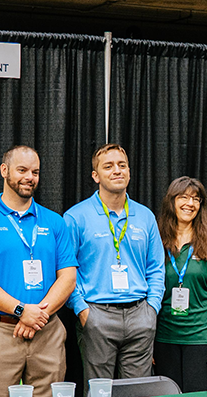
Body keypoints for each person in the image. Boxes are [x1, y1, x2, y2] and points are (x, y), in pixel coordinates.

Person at [0, 145, 77, 397]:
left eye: (35, 172)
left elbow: (68, 278)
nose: (29, 177)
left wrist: (37, 316)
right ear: (4, 170)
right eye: (22, 170)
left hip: (47, 331)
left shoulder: (54, 222)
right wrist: (21, 310)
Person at [64, 144, 165, 383]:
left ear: (129, 172)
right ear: (95, 176)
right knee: (99, 393)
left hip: (140, 314)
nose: (117, 170)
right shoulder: (76, 217)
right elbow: (66, 270)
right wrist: (82, 310)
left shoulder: (145, 216)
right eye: (108, 166)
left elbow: (156, 268)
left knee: (138, 392)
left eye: (122, 165)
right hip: (97, 314)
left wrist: (151, 309)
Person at [153, 177, 207, 392]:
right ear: (171, 200)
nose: (190, 203)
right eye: (184, 197)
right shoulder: (156, 240)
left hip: (201, 338)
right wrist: (146, 343)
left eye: (196, 199)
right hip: (164, 337)